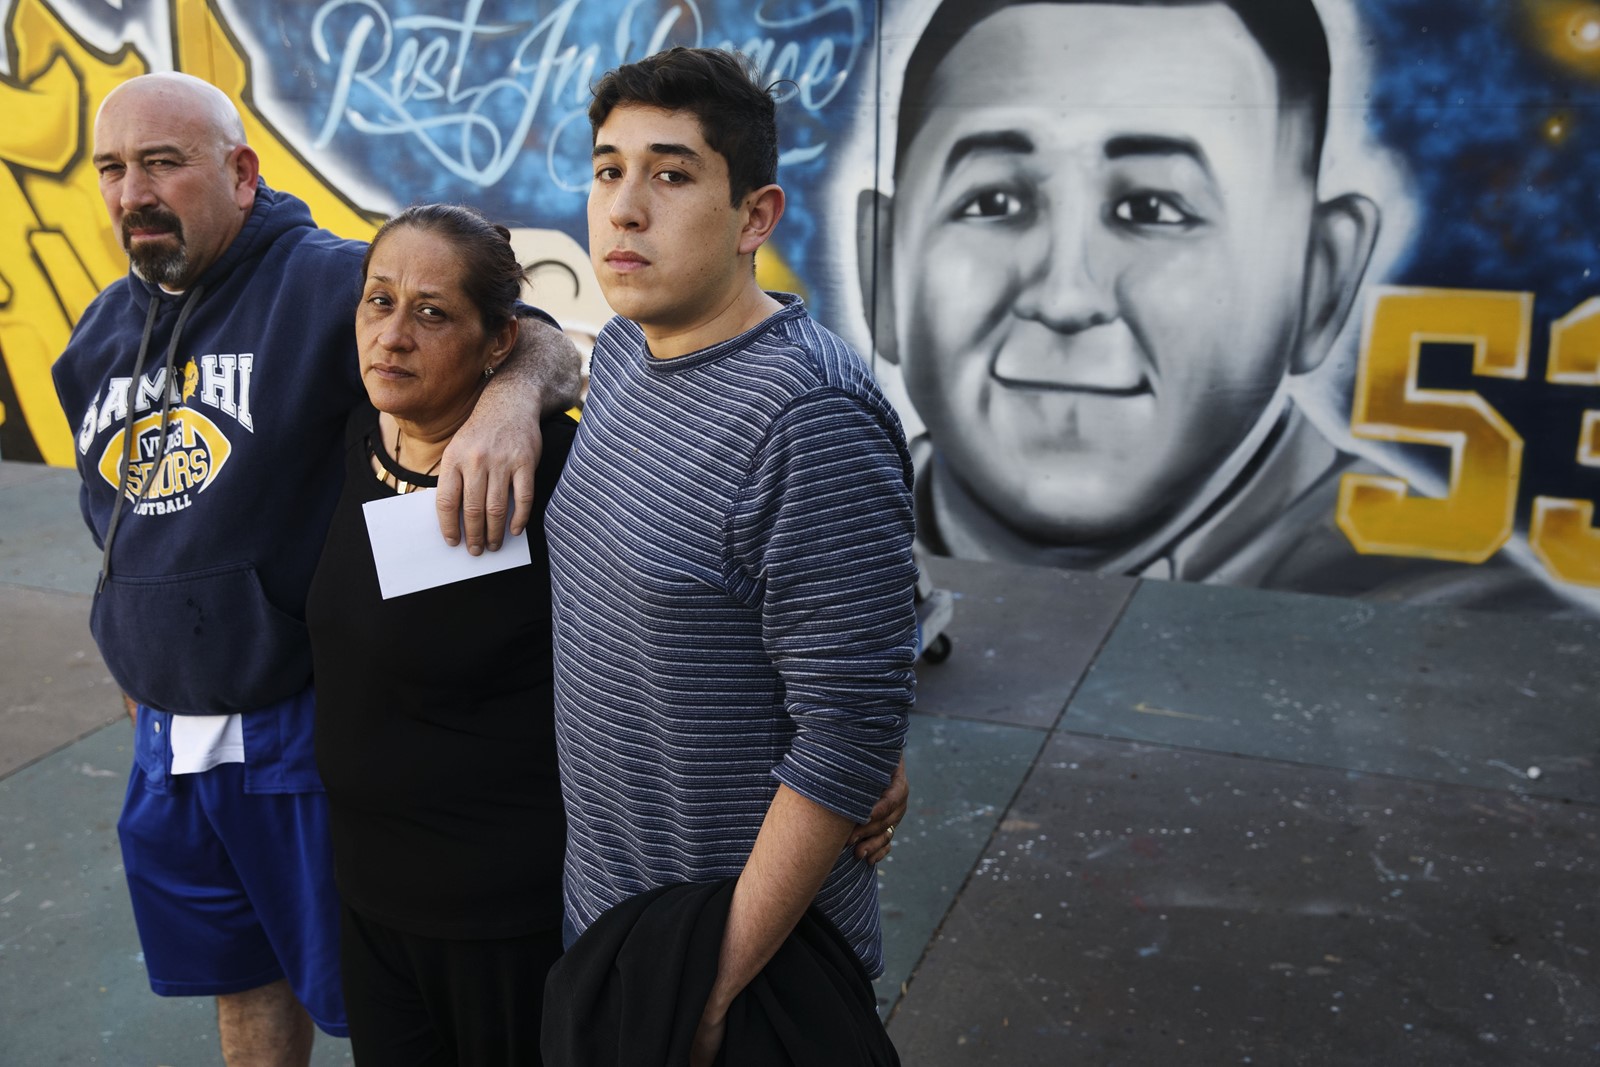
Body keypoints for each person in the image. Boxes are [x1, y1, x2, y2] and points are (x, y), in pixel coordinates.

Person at [51, 73, 575, 1066]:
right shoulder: (97, 337)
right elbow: (113, 503)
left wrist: (511, 406)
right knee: (241, 986)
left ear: (242, 172)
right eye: (112, 168)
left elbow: (532, 331)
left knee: (374, 1001)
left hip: (292, 729)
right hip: (165, 745)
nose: (132, 193)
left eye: (162, 163)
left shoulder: (329, 282)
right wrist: (135, 627)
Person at [545, 46, 916, 1064]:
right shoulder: (627, 350)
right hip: (613, 926)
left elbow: (846, 733)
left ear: (756, 216)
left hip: (740, 970)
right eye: (609, 170)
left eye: (670, 174)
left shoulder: (808, 417)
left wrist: (707, 991)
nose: (625, 208)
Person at [862, 0, 1395, 588]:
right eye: (993, 203)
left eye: (1152, 209)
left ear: (1320, 280)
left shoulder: (1410, 594)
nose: (1065, 299)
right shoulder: (810, 527)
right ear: (884, 263)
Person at [306, 203, 576, 1065]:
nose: (393, 335)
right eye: (379, 301)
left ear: (497, 343)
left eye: (432, 313)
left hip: (501, 916)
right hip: (369, 896)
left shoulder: (554, 471)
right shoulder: (356, 431)